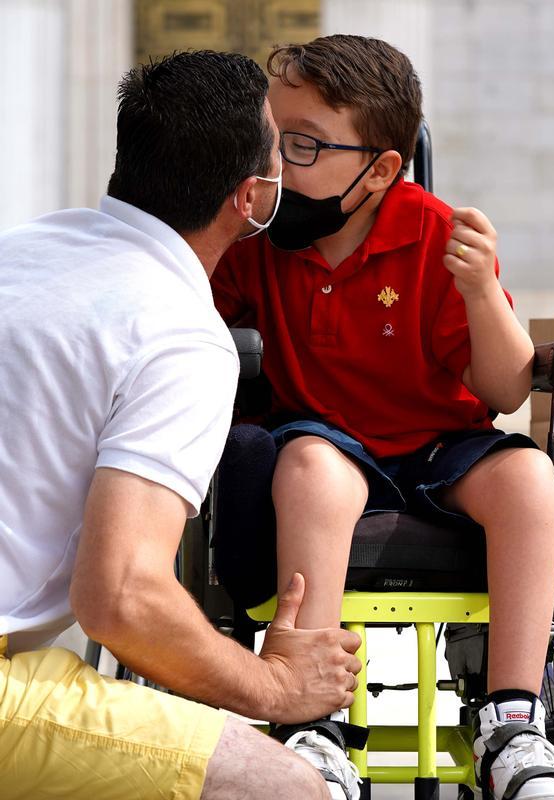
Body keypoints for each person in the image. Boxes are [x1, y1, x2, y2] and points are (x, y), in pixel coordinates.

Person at [210, 35, 554, 799]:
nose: (278, 162)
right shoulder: (258, 238)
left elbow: (508, 388)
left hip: (440, 447)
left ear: (380, 169)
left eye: (304, 145)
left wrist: (482, 292)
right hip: (324, 445)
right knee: (309, 464)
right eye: (272, 139)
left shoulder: (435, 235)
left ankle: (514, 719)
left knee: (530, 478)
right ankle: (313, 715)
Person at [0, 52, 362, 799]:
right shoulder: (181, 332)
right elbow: (123, 596)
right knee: (295, 789)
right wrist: (274, 686)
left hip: (19, 667)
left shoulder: (20, 252)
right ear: (252, 198)